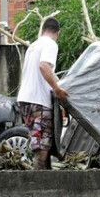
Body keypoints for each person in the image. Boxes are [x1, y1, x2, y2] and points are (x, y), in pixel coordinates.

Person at [17, 17, 69, 170]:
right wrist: (57, 89)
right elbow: (44, 66)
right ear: (57, 33)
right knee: (42, 147)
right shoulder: (50, 44)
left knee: (42, 143)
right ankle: (36, 187)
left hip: (25, 100)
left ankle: (46, 184)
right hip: (38, 101)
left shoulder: (33, 46)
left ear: (43, 29)